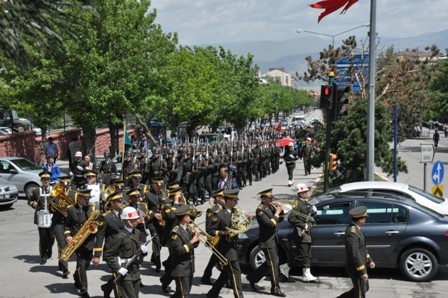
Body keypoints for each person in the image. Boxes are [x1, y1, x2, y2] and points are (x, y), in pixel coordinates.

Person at [246, 188, 286, 297]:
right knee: (273, 264)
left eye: (271, 198)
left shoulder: (269, 207)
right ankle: (275, 289)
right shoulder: (260, 210)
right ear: (263, 199)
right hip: (267, 241)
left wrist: (280, 211)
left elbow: (279, 220)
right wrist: (277, 213)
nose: (271, 199)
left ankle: (252, 277)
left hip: (273, 239)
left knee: (271, 263)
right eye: (269, 198)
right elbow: (270, 224)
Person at [206, 189, 245, 298]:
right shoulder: (218, 214)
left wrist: (246, 218)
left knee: (226, 273)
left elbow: (240, 226)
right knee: (236, 272)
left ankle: (212, 293)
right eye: (234, 200)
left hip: (234, 246)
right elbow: (210, 230)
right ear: (228, 201)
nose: (237, 202)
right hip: (225, 248)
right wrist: (223, 232)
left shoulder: (236, 212)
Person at [103, 206, 148, 298]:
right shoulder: (119, 236)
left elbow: (138, 251)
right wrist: (118, 268)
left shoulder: (137, 232)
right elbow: (108, 255)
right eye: (133, 220)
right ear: (126, 220)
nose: (136, 221)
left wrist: (144, 252)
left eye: (136, 219)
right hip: (124, 272)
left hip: (135, 271)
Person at [64, 188, 97, 298]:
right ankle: (84, 289)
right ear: (79, 198)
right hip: (78, 242)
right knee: (82, 266)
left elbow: (97, 221)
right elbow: (66, 225)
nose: (88, 201)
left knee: (86, 264)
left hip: (89, 241)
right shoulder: (71, 209)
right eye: (85, 199)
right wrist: (68, 235)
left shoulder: (91, 209)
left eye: (89, 198)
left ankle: (76, 276)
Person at [338, 206, 375, 298]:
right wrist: (362, 272)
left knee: (364, 288)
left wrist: (369, 260)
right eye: (364, 218)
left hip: (361, 265)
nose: (365, 220)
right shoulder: (352, 233)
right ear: (360, 220)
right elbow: (354, 254)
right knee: (360, 293)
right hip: (356, 268)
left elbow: (362, 248)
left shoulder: (357, 229)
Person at [287, 183, 319, 282]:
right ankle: (285, 267)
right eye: (305, 192)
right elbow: (291, 218)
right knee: (303, 255)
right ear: (300, 194)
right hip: (301, 233)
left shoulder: (305, 203)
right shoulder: (298, 204)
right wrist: (302, 225)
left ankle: (307, 274)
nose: (307, 193)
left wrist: (313, 211)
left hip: (307, 232)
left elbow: (307, 214)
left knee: (307, 254)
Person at [168, 204, 200, 298]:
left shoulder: (188, 230)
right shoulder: (175, 233)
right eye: (189, 216)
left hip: (189, 267)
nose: (190, 218)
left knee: (180, 293)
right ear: (185, 218)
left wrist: (196, 238)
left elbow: (194, 245)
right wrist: (193, 241)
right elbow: (178, 251)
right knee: (184, 295)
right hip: (180, 269)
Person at [28, 171, 55, 265]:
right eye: (44, 179)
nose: (46, 181)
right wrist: (33, 204)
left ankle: (49, 251)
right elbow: (30, 200)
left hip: (52, 217)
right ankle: (43, 256)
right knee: (43, 238)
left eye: (47, 179)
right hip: (41, 217)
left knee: (51, 237)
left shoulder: (54, 190)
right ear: (41, 180)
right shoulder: (36, 191)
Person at [200, 188, 225, 285]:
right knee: (221, 259)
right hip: (216, 239)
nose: (225, 199)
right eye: (223, 197)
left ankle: (206, 276)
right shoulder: (212, 210)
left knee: (214, 259)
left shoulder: (224, 208)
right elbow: (209, 228)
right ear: (218, 198)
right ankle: (226, 279)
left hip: (223, 239)